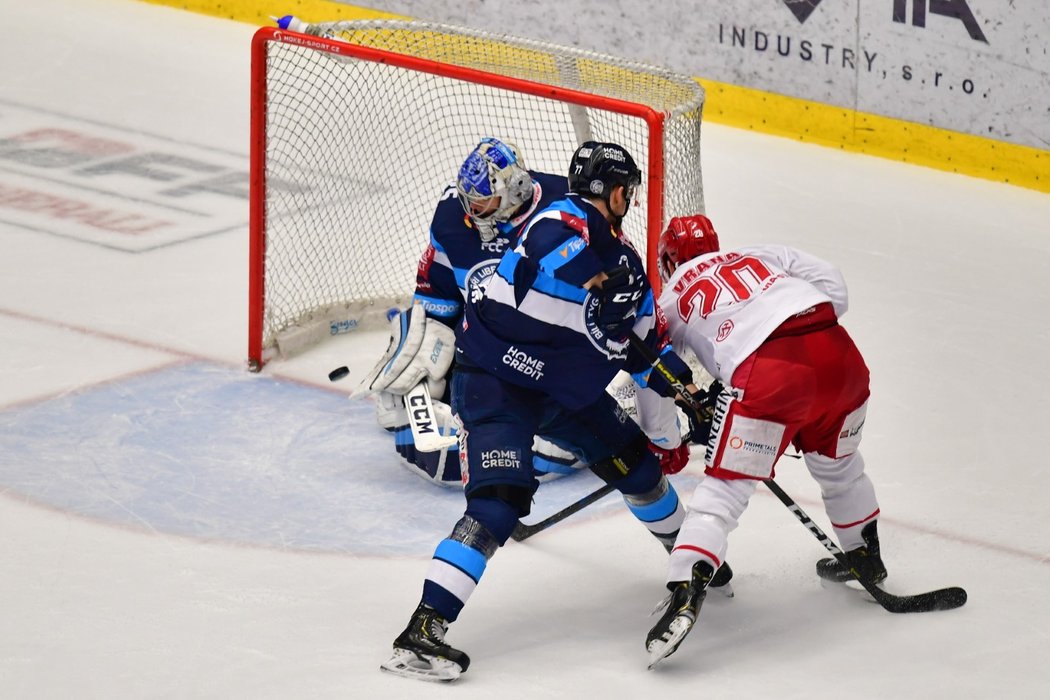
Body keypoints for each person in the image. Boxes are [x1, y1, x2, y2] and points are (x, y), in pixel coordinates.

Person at [379, 142, 718, 682]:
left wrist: (688, 395)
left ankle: (690, 558)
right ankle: (422, 632)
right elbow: (546, 244)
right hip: (494, 382)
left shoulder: (625, 266)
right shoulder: (554, 226)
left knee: (639, 466)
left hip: (565, 389)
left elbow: (644, 348)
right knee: (499, 501)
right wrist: (595, 281)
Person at [644, 214, 885, 667]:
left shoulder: (672, 296)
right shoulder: (759, 254)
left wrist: (665, 441)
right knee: (841, 467)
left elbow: (653, 377)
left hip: (772, 375)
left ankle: (685, 590)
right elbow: (834, 287)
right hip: (840, 355)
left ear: (666, 260)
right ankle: (866, 556)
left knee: (725, 490)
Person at [357, 138, 587, 486]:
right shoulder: (454, 215)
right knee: (415, 350)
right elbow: (437, 291)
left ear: (516, 191)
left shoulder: (568, 210)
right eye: (469, 202)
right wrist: (427, 337)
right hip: (482, 350)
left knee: (573, 419)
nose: (471, 212)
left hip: (549, 351)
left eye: (482, 203)